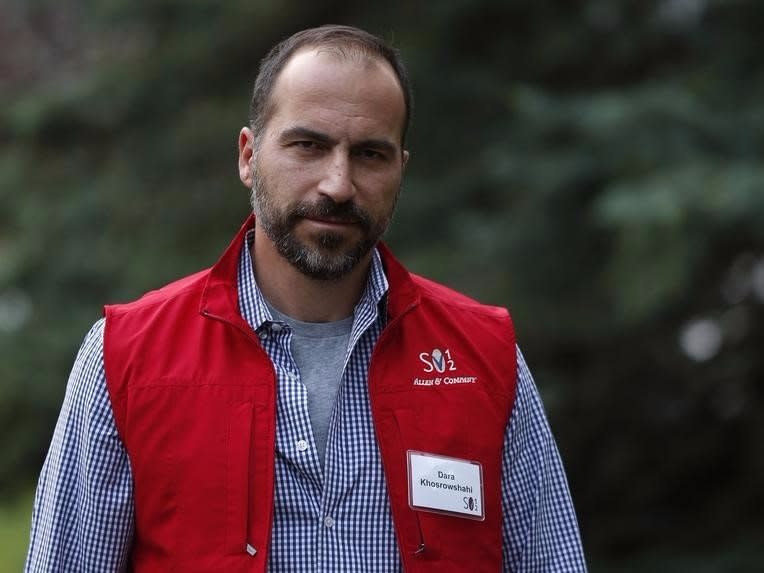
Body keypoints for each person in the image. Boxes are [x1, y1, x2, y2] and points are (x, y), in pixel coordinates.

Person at [25, 25, 586, 572]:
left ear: (400, 171)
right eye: (308, 145)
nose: (337, 184)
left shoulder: (483, 357)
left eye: (369, 154)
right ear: (249, 155)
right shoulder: (127, 357)